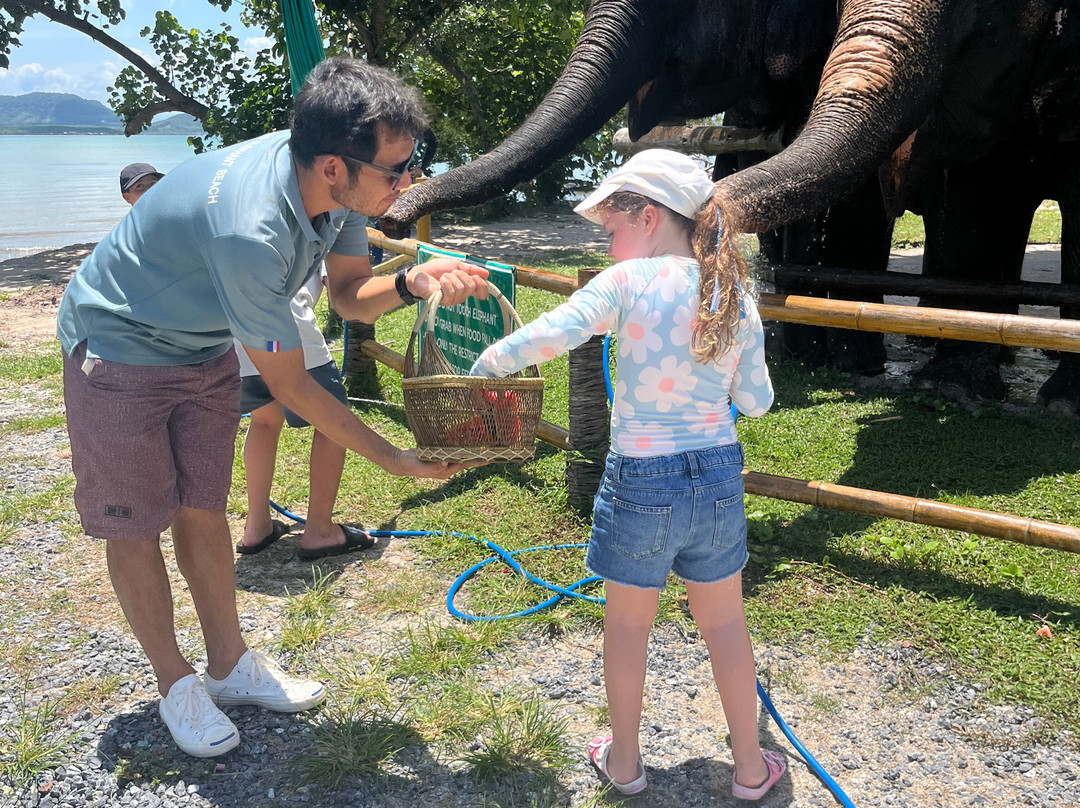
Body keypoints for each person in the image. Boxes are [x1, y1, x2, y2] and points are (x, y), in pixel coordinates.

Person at [57, 56, 488, 758]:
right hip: (118, 343)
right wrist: (394, 458)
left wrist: (413, 280)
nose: (408, 182)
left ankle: (228, 666)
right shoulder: (249, 229)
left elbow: (349, 296)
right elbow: (291, 387)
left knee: (202, 505)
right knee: (133, 521)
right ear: (331, 165)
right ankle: (176, 684)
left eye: (414, 163)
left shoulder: (341, 193)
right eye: (396, 170)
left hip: (200, 345)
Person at [470, 150, 785, 800]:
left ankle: (625, 765)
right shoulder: (733, 293)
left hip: (642, 479)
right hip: (718, 478)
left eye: (612, 228)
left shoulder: (628, 283)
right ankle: (751, 770)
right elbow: (757, 401)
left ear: (647, 216)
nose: (608, 242)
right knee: (726, 624)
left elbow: (552, 333)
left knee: (627, 626)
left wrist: (486, 364)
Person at [234, 266, 366, 560]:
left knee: (264, 419)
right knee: (334, 424)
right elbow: (346, 299)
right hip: (288, 326)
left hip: (238, 325)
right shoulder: (328, 225)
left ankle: (256, 526)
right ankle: (320, 530)